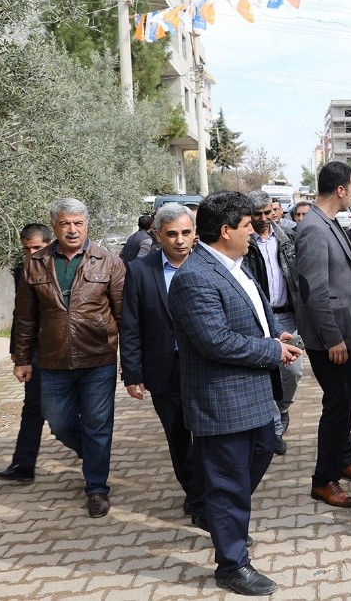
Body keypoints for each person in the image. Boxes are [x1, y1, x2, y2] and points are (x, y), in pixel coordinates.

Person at [167, 191, 301, 596]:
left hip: (255, 396)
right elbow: (216, 341)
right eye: (247, 225)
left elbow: (242, 321)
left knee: (257, 458)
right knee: (228, 483)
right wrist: (271, 350)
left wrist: (270, 334)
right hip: (222, 401)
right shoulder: (195, 277)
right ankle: (231, 564)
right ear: (226, 231)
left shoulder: (235, 265)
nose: (255, 230)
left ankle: (222, 516)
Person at [11, 198, 125, 518]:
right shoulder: (35, 264)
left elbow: (124, 313)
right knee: (58, 422)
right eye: (65, 224)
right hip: (52, 360)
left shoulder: (109, 261)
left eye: (77, 223)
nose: (72, 230)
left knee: (97, 424)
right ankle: (93, 455)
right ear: (55, 227)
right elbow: (24, 317)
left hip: (98, 358)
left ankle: (97, 488)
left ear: (86, 224)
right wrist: (22, 358)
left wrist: (129, 361)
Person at [296, 161, 351, 509]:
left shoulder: (326, 222)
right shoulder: (313, 227)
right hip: (332, 337)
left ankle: (344, 458)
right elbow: (315, 290)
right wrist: (332, 339)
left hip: (345, 331)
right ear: (340, 190)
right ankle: (323, 480)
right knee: (338, 406)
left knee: (346, 403)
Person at [120, 204, 203, 522]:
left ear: (195, 233)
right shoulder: (141, 271)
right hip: (165, 369)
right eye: (172, 234)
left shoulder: (210, 264)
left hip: (207, 366)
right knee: (179, 435)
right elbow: (130, 324)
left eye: (185, 232)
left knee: (210, 434)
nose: (180, 240)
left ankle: (213, 491)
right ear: (158, 235)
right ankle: (195, 496)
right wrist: (132, 372)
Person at [0, 223, 54, 484]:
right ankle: (23, 465)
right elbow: (21, 314)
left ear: (50, 243)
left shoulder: (67, 267)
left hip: (66, 350)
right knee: (33, 408)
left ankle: (92, 451)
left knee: (64, 416)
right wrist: (17, 351)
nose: (32, 253)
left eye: (37, 247)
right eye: (27, 249)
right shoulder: (22, 270)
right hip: (35, 350)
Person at [245, 191, 303, 456]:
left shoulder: (288, 237)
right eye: (257, 214)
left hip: (288, 315)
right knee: (265, 372)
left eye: (268, 213)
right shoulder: (244, 241)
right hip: (259, 318)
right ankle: (275, 428)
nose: (264, 218)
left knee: (293, 371)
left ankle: (280, 411)